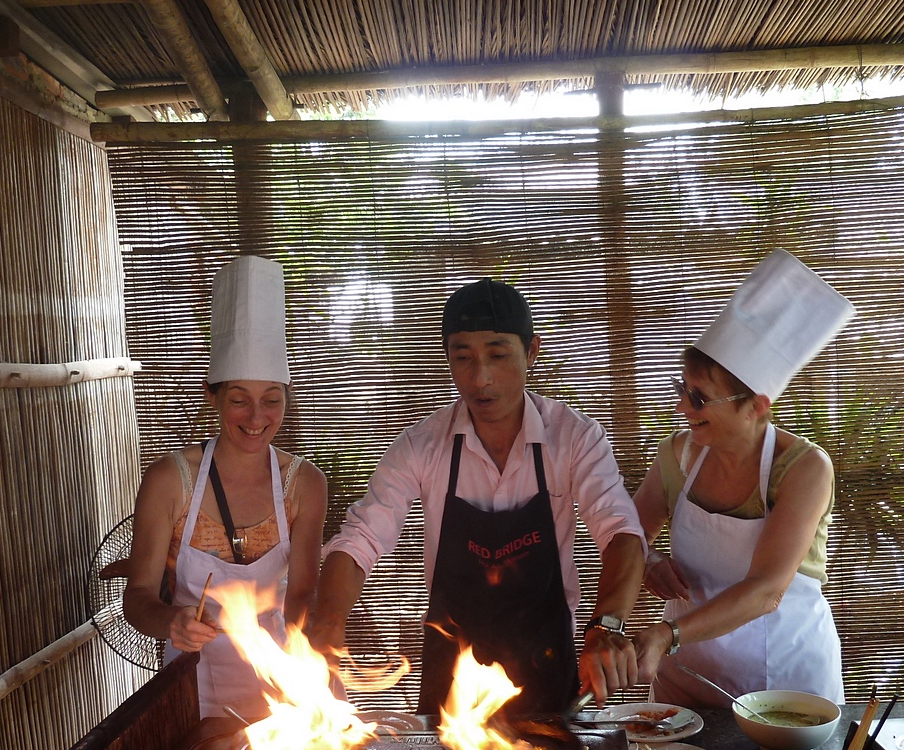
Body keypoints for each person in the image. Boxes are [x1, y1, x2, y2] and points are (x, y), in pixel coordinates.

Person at [308, 278, 646, 715]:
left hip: (547, 667)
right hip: (453, 681)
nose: (480, 378)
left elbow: (621, 533)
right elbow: (361, 538)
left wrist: (607, 626)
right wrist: (329, 621)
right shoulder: (421, 446)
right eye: (462, 358)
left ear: (532, 352)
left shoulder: (574, 438)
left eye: (498, 355)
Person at [632, 249, 856, 708]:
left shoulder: (804, 469)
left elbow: (766, 591)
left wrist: (667, 633)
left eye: (700, 398)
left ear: (756, 405)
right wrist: (649, 559)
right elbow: (626, 532)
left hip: (786, 688)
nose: (682, 408)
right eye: (681, 389)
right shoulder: (679, 455)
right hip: (685, 683)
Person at [123, 256, 328, 719]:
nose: (257, 419)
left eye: (271, 401)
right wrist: (170, 621)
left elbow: (300, 595)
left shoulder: (304, 485)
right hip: (192, 689)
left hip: (280, 690)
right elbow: (137, 597)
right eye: (239, 400)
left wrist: (302, 661)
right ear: (211, 396)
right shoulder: (169, 481)